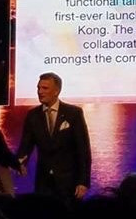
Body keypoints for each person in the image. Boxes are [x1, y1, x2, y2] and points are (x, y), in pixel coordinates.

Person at [17, 72, 91, 204]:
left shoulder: (73, 113)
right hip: (43, 182)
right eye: (38, 88)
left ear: (56, 91)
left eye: (45, 88)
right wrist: (20, 162)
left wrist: (83, 182)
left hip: (69, 183)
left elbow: (83, 150)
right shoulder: (33, 115)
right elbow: (25, 145)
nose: (40, 92)